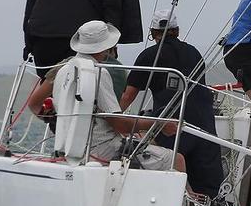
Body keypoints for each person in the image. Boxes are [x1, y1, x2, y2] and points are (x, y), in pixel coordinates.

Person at [120, 9, 224, 198]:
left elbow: (128, 97)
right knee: (207, 193)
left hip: (172, 126)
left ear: (153, 33)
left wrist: (112, 120)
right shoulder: (194, 53)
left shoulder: (148, 56)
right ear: (176, 30)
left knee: (168, 182)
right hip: (204, 126)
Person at [51, 21, 180, 171]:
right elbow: (120, 124)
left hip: (70, 150)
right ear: (105, 46)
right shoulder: (98, 72)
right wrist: (159, 124)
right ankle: (189, 195)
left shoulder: (63, 71)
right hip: (102, 150)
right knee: (176, 159)